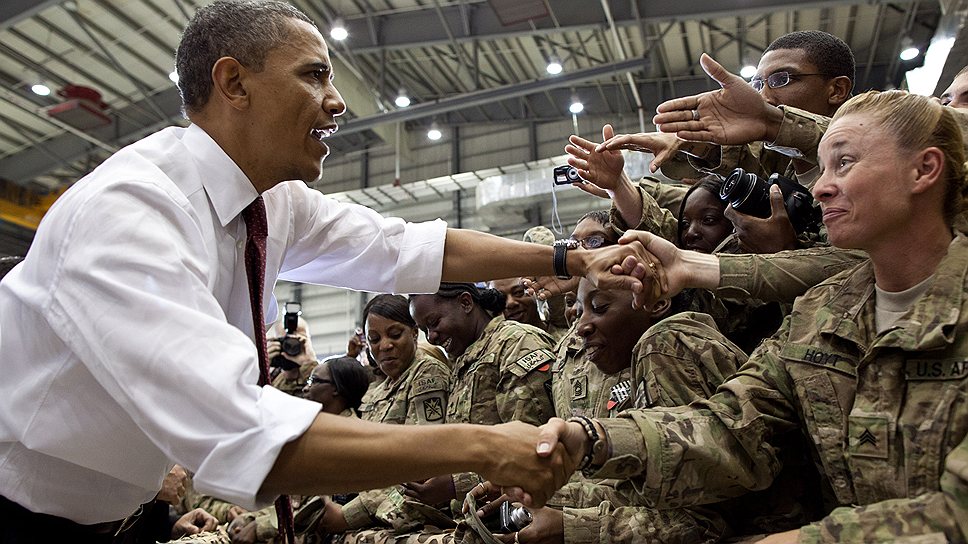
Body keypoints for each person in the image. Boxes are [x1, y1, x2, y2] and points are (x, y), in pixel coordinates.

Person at [0, 1, 662, 539]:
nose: (337, 100)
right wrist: (485, 445)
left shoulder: (269, 200)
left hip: (113, 511)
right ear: (234, 83)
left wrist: (574, 259)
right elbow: (250, 437)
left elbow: (406, 247)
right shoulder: (132, 215)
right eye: (313, 76)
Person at [542, 90, 968, 542]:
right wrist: (589, 441)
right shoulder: (821, 314)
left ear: (925, 169)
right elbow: (730, 428)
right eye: (821, 169)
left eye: (844, 163)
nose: (821, 187)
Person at [268, 316, 318, 396]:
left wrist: (309, 365)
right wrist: (262, 366)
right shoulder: (270, 377)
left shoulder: (323, 374)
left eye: (299, 339)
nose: (293, 345)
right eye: (287, 340)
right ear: (276, 341)